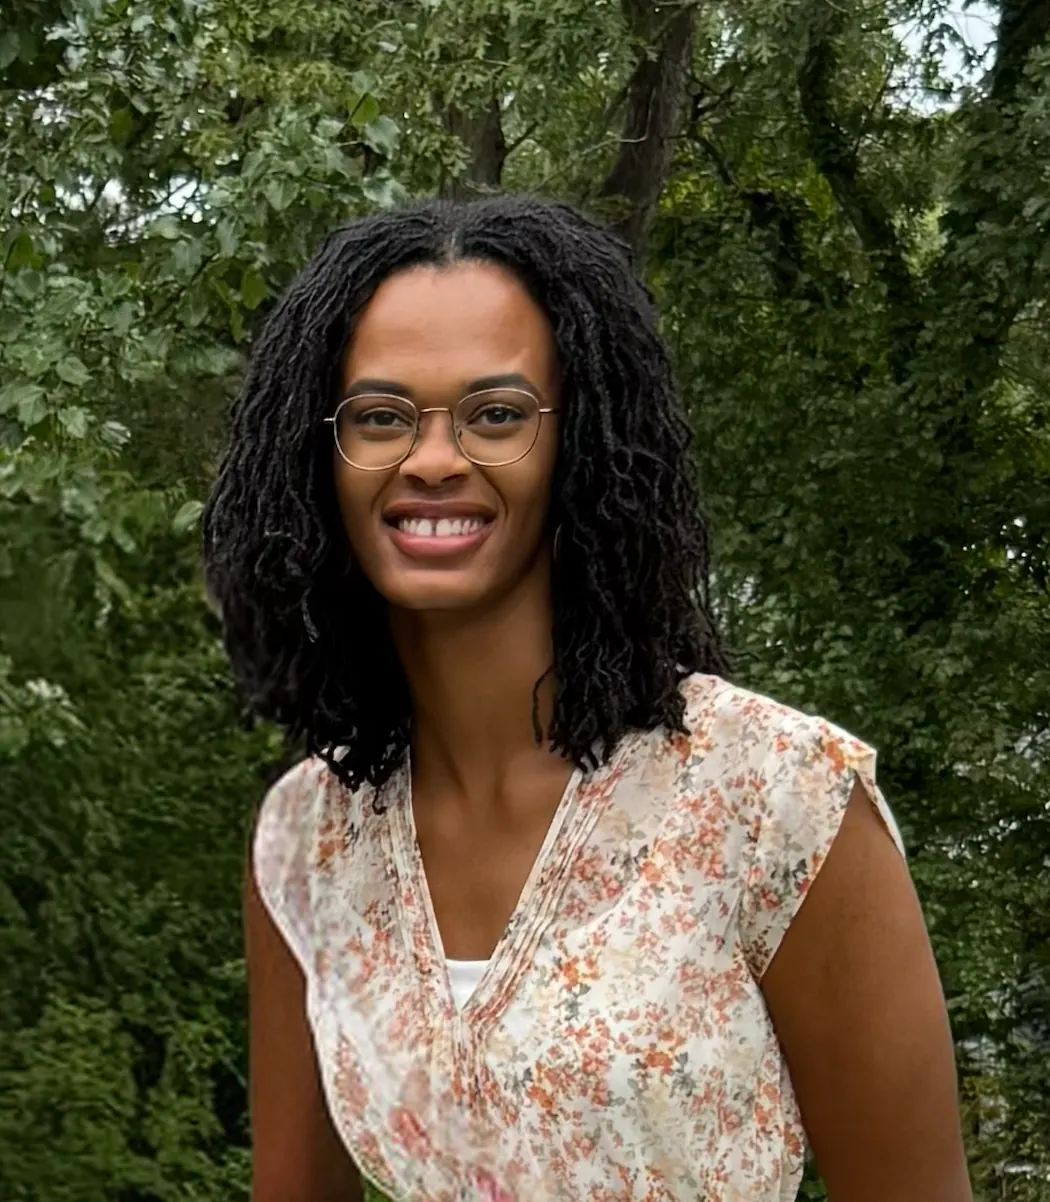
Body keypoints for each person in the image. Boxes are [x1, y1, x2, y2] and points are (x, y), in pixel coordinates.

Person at [203, 195, 972, 1202]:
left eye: (496, 414)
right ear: (319, 458)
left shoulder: (779, 800)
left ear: (584, 445)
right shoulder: (304, 841)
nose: (434, 459)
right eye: (383, 416)